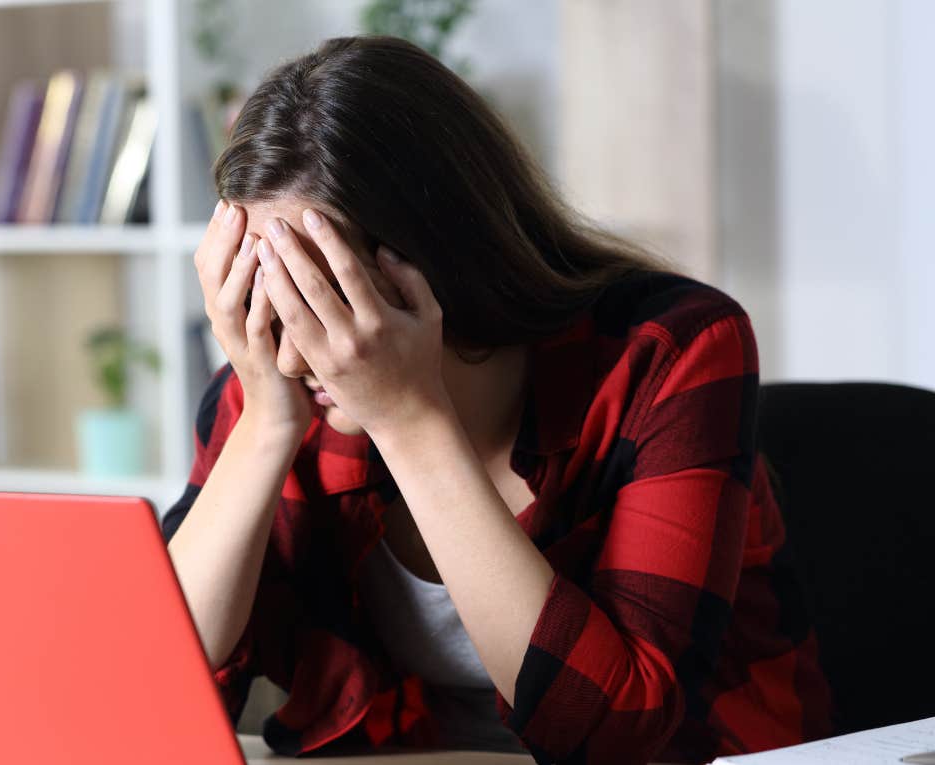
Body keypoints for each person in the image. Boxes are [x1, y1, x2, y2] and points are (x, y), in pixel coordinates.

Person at [161, 36, 832, 765]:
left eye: (321, 297)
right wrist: (263, 424)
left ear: (440, 258)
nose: (292, 350)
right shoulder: (272, 382)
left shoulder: (671, 352)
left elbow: (618, 730)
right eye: (265, 291)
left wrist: (410, 419)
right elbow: (152, 691)